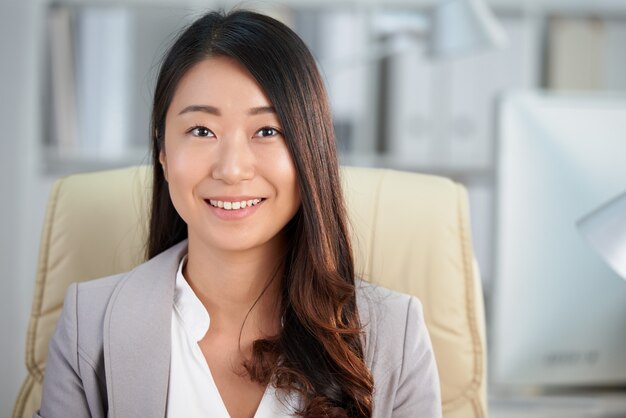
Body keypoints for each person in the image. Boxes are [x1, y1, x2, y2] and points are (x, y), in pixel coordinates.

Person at [36, 9, 441, 418]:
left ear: (310, 149)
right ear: (162, 150)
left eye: (267, 131)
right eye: (201, 131)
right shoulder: (87, 325)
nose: (231, 169)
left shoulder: (395, 333)